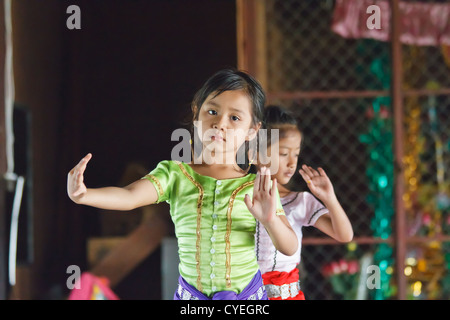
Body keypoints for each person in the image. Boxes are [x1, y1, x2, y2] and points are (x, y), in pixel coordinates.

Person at [67, 69, 298, 300]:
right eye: (212, 111)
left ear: (252, 131)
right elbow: (129, 196)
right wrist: (85, 195)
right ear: (197, 114)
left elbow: (289, 247)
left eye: (234, 118)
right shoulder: (175, 174)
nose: (220, 123)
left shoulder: (258, 186)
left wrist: (270, 220)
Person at [255, 105, 353, 300]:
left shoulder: (299, 201)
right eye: (283, 153)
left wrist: (329, 198)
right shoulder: (239, 197)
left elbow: (344, 235)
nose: (292, 163)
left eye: (296, 154)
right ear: (256, 152)